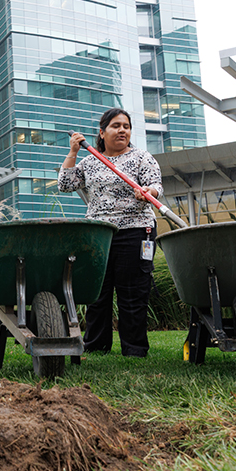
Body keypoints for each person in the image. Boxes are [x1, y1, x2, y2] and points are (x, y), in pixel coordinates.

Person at [59, 108, 163, 357]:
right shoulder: (90, 161)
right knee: (98, 292)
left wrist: (149, 191)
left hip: (136, 229)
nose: (122, 130)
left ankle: (134, 348)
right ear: (102, 132)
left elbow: (156, 185)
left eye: (126, 126)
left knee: (133, 291)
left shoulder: (141, 157)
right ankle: (96, 344)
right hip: (98, 234)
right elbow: (65, 184)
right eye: (116, 126)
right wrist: (73, 151)